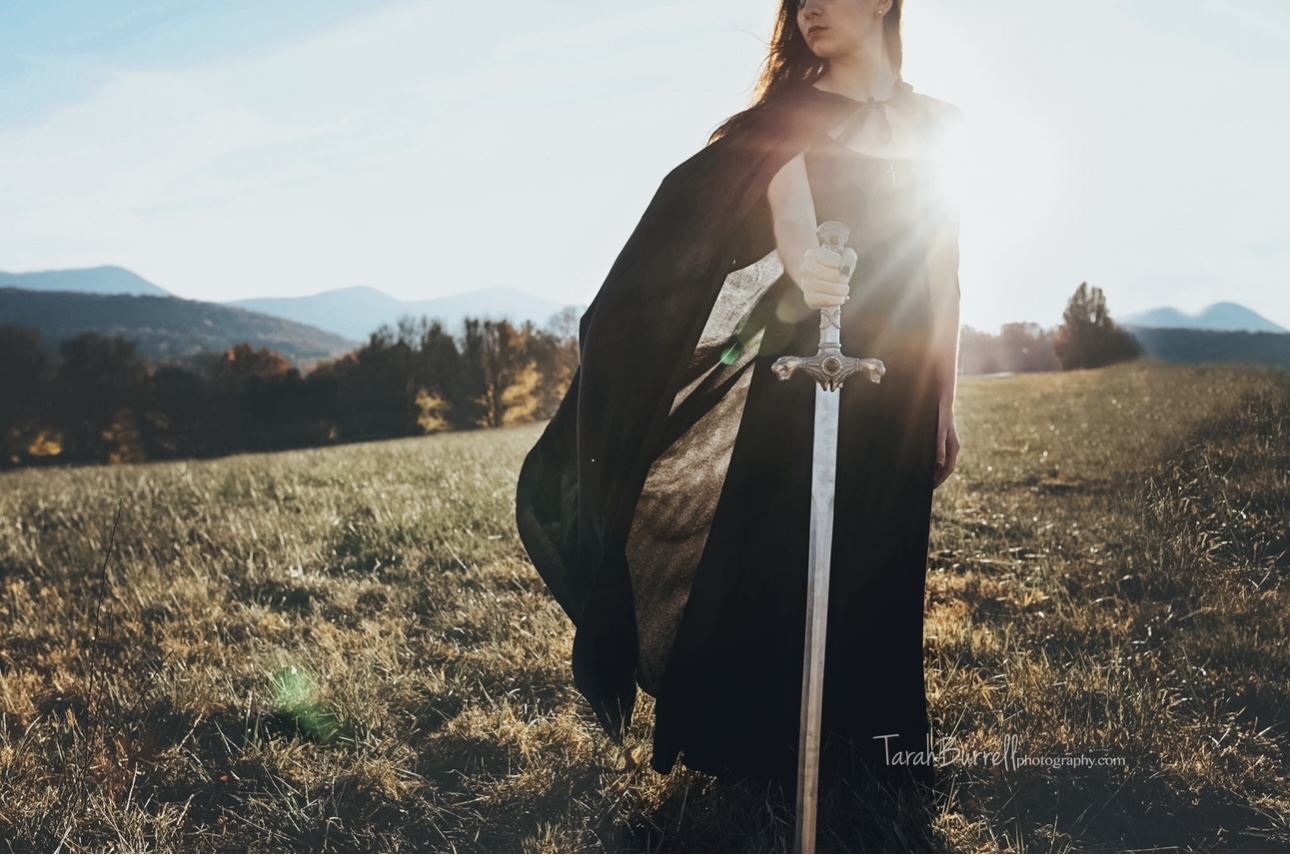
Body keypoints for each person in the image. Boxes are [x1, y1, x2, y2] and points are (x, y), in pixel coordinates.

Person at [516, 0, 962, 790]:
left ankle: (873, 748)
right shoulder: (790, 115)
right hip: (803, 376)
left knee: (883, 553)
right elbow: (789, 215)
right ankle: (766, 752)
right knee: (783, 553)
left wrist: (944, 399)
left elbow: (943, 273)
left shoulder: (937, 126)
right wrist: (804, 260)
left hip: (899, 379)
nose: (808, 8)